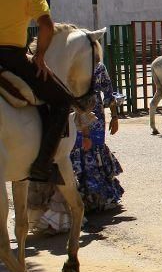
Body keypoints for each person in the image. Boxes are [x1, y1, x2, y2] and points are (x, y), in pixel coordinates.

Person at [0, 0, 72, 185]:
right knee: (62, 101)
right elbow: (46, 25)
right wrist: (40, 56)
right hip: (12, 58)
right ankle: (42, 166)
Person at [34, 63, 124, 233]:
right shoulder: (71, 63)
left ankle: (93, 200)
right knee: (75, 151)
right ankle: (78, 200)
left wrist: (115, 116)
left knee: (92, 150)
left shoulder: (98, 67)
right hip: (76, 113)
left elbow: (108, 90)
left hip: (93, 113)